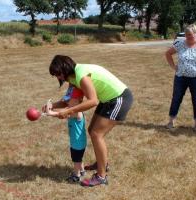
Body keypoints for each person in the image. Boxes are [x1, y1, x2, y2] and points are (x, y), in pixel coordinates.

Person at [46, 55, 133, 187]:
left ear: (64, 69)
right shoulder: (73, 78)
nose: (57, 78)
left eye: (57, 74)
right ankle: (101, 163)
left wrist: (68, 111)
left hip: (119, 98)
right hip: (107, 100)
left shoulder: (81, 75)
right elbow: (70, 100)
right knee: (92, 130)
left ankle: (101, 176)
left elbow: (93, 101)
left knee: (97, 134)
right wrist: (53, 106)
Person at [46, 84, 87, 183]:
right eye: (67, 100)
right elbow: (64, 112)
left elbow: (61, 114)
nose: (67, 102)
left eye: (70, 100)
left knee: (76, 159)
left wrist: (50, 111)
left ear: (78, 101)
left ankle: (76, 175)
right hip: (77, 142)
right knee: (78, 158)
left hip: (78, 143)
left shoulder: (76, 112)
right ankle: (82, 171)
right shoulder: (74, 111)